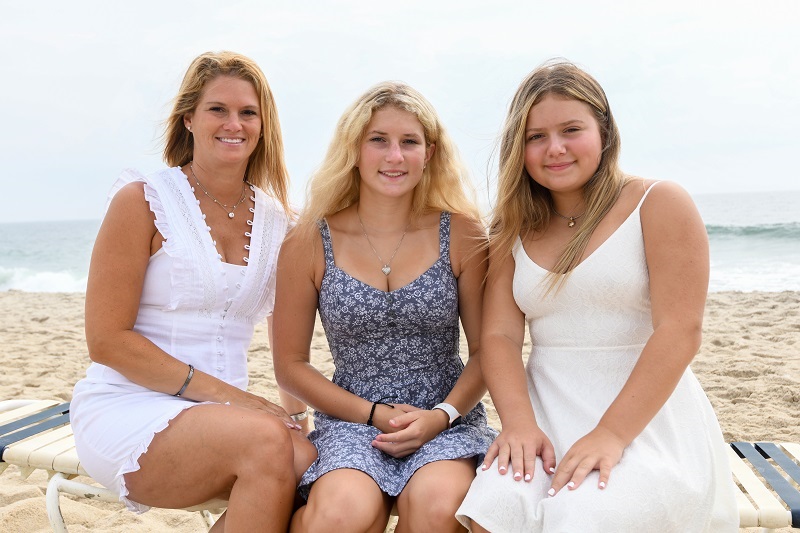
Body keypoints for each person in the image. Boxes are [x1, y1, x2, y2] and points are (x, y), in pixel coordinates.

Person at [455, 61, 739, 532]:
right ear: (518, 148)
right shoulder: (512, 226)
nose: (555, 149)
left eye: (571, 130)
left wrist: (611, 434)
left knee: (584, 514)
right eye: (535, 137)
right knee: (495, 507)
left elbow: (680, 330)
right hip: (544, 410)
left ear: (604, 131)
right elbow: (500, 336)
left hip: (645, 418)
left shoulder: (659, 203)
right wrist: (519, 424)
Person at [71, 51, 317, 532]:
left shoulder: (280, 223)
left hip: (231, 422)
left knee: (307, 462)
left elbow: (286, 343)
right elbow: (106, 340)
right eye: (217, 109)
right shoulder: (143, 200)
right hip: (129, 406)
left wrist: (296, 418)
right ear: (188, 118)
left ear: (263, 124)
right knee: (268, 443)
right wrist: (236, 401)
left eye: (248, 112)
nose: (234, 123)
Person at [272, 81, 497, 532]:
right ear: (354, 149)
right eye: (379, 140)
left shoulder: (464, 234)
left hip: (446, 420)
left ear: (429, 152)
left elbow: (489, 350)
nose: (394, 156)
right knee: (340, 514)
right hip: (353, 421)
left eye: (409, 142)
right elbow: (290, 366)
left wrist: (440, 416)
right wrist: (373, 414)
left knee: (438, 508)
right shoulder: (308, 240)